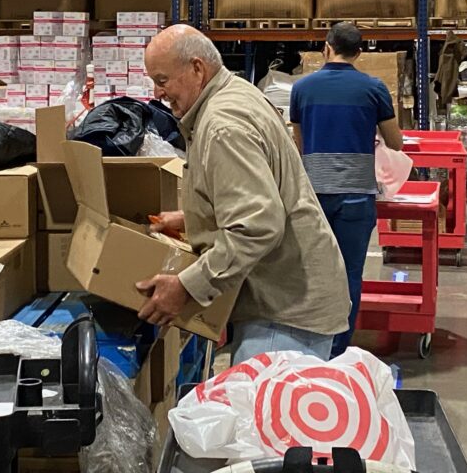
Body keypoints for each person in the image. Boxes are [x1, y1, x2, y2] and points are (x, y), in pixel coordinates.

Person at [138, 24, 350, 364]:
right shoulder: (232, 94)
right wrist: (192, 218)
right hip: (288, 300)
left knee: (260, 416)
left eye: (162, 80)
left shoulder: (223, 125)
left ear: (197, 68)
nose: (157, 92)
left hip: (285, 315)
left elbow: (258, 226)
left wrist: (188, 285)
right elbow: (255, 196)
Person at [289, 22, 404, 358]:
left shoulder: (303, 88)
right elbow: (395, 142)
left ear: (327, 47)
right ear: (360, 52)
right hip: (356, 195)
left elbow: (300, 144)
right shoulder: (374, 88)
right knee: (350, 272)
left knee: (312, 269)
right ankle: (338, 350)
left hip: (314, 196)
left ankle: (310, 345)